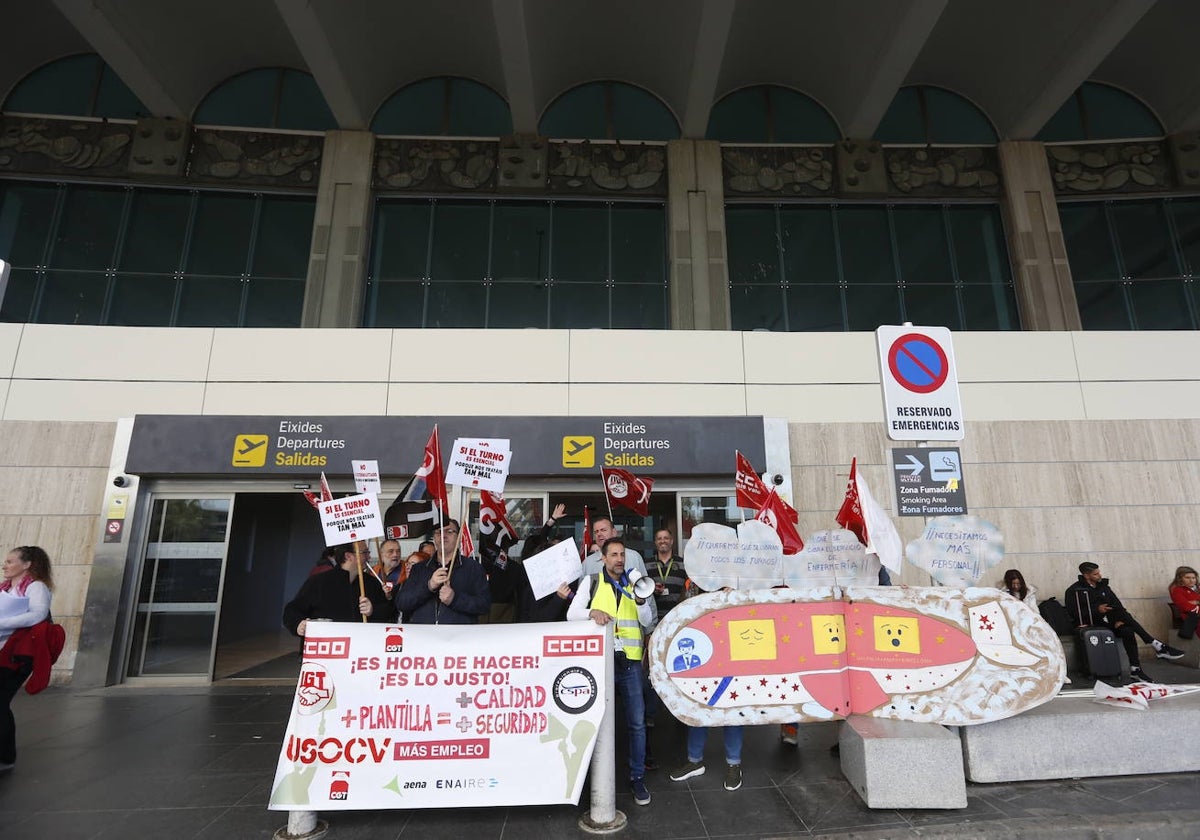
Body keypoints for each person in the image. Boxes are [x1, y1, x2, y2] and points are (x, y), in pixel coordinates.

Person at [569, 537, 655, 806]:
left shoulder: (635, 583)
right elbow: (571, 614)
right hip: (599, 662)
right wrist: (592, 612)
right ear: (603, 558)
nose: (619, 559)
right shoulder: (591, 582)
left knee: (637, 724)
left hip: (629, 662)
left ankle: (637, 777)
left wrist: (641, 600)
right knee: (590, 722)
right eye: (614, 554)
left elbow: (647, 621)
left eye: (622, 554)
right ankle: (586, 778)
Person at [1066, 561, 1184, 682]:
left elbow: (1117, 605)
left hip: (1110, 621)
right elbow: (1073, 613)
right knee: (1124, 619)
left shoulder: (1103, 587)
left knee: (1127, 630)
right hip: (1090, 624)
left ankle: (1135, 669)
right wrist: (1097, 610)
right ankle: (1156, 644)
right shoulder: (1075, 590)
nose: (1100, 575)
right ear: (1086, 575)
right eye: (1096, 574)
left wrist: (1117, 620)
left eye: (1099, 572)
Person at [0, 546, 54, 772]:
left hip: (18, 655)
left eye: (10, 561)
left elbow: (38, 614)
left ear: (27, 565)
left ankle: (5, 758)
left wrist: (2, 623)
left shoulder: (36, 587)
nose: (5, 565)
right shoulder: (5, 588)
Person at [284, 542, 395, 636]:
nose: (369, 557)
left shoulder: (372, 583)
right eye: (364, 553)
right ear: (348, 556)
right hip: (326, 649)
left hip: (361, 648)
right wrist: (298, 624)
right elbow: (292, 610)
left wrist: (373, 611)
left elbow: (388, 613)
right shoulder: (319, 581)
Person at [395, 519, 490, 624]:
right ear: (434, 538)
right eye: (438, 532)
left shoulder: (474, 568)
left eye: (449, 531)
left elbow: (484, 605)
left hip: (459, 637)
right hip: (424, 636)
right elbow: (402, 603)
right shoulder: (419, 568)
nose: (443, 535)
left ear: (458, 537)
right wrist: (429, 586)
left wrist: (455, 599)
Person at [513, 534, 574, 623]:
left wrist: (570, 595)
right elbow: (538, 619)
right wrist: (558, 598)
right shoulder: (535, 588)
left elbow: (572, 597)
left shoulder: (558, 582)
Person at [582, 515, 649, 578]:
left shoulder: (634, 557)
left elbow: (645, 585)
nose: (599, 534)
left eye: (603, 530)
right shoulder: (587, 563)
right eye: (596, 532)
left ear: (614, 532)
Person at [1169, 566, 1200, 640]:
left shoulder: (1197, 589)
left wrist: (1196, 602)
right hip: (1191, 617)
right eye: (1187, 578)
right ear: (1180, 578)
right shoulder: (1177, 590)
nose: (1191, 580)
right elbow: (1186, 607)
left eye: (1193, 578)